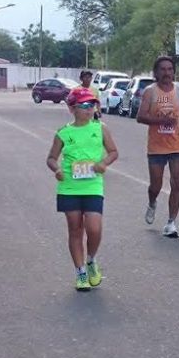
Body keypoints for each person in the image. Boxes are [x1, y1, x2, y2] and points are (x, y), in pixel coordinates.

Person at [46, 87, 119, 291]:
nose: (89, 110)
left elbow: (113, 152)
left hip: (93, 185)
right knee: (75, 229)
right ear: (72, 109)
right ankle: (80, 273)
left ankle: (91, 260)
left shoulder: (100, 128)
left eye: (92, 105)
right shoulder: (63, 133)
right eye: (84, 106)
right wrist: (57, 169)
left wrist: (104, 163)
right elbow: (51, 158)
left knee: (94, 228)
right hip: (69, 187)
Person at [138, 56, 179, 238]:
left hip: (176, 145)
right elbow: (141, 117)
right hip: (156, 147)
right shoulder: (150, 92)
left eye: (170, 69)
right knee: (156, 185)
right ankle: (152, 202)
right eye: (162, 69)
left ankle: (171, 222)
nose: (167, 73)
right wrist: (162, 120)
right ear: (156, 72)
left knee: (176, 182)